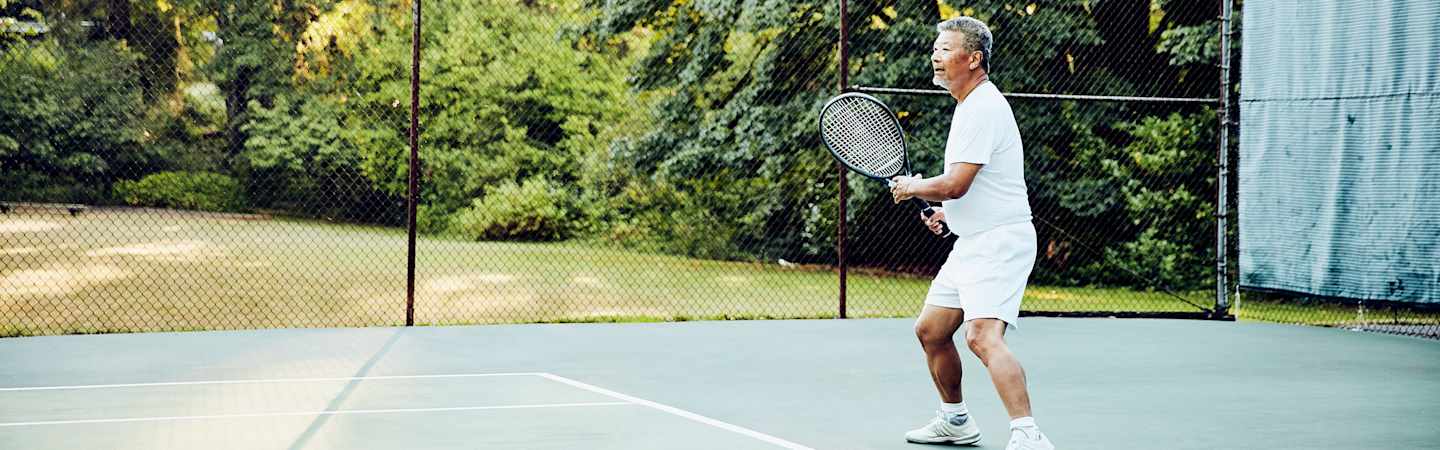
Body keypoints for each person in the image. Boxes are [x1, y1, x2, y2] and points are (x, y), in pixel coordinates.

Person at [888, 16, 1055, 450]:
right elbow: (969, 189)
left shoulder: (982, 106)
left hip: (1000, 242)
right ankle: (956, 420)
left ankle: (1028, 435)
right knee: (931, 330)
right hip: (975, 240)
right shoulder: (969, 106)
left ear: (973, 58)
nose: (936, 55)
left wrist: (913, 188)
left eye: (945, 49)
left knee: (981, 335)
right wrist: (949, 214)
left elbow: (956, 182)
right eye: (935, 48)